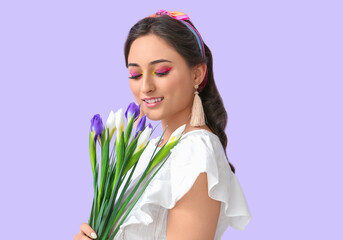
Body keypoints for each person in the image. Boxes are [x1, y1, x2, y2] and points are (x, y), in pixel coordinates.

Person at [74, 9, 251, 240]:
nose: (146, 86)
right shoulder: (150, 148)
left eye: (161, 71)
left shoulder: (196, 151)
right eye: (135, 74)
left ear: (197, 74)